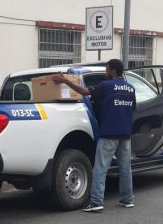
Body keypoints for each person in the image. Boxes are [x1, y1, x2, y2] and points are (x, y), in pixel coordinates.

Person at [52, 58, 136, 212]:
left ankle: (96, 203)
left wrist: (65, 81)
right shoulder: (131, 88)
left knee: (100, 168)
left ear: (113, 71)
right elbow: (133, 108)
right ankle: (127, 199)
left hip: (109, 134)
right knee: (125, 168)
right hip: (125, 134)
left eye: (107, 69)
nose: (105, 72)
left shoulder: (106, 86)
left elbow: (84, 92)